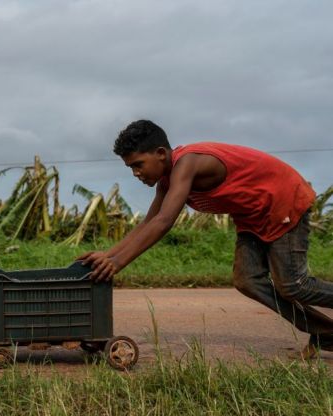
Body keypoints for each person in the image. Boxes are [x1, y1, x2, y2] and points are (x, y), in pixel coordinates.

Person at [78, 119, 333, 358]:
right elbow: (148, 222)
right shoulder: (166, 183)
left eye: (138, 164)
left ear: (160, 153)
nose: (135, 173)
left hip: (282, 201)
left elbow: (164, 221)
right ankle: (326, 333)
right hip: (252, 216)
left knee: (293, 285)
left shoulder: (187, 163)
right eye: (130, 167)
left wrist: (119, 263)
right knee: (247, 280)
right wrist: (109, 255)